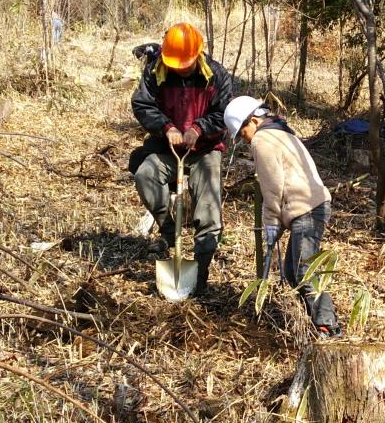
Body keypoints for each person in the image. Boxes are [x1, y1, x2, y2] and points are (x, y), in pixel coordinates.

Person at [129, 22, 234, 297]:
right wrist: (167, 128)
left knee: (209, 212)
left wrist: (199, 129)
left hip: (205, 149)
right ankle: (167, 232)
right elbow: (141, 104)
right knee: (145, 175)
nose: (181, 68)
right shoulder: (156, 71)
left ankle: (199, 274)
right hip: (167, 146)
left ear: (198, 55)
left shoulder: (217, 75)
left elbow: (224, 112)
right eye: (176, 63)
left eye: (185, 63)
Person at [224, 96, 342, 337]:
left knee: (303, 271)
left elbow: (272, 188)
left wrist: (270, 224)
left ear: (253, 120)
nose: (244, 140)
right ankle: (310, 320)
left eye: (242, 133)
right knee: (291, 271)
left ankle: (327, 326)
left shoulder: (263, 140)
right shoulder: (282, 132)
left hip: (307, 209)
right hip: (311, 207)